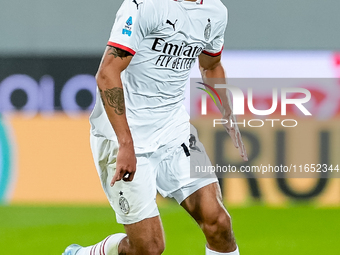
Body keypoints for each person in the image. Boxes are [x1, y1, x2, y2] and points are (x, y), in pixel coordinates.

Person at [63, 0, 247, 254]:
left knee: (219, 224)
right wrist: (126, 144)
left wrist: (227, 112)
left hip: (174, 132)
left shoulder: (215, 12)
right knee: (148, 248)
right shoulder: (144, 5)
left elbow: (211, 65)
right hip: (126, 135)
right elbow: (107, 73)